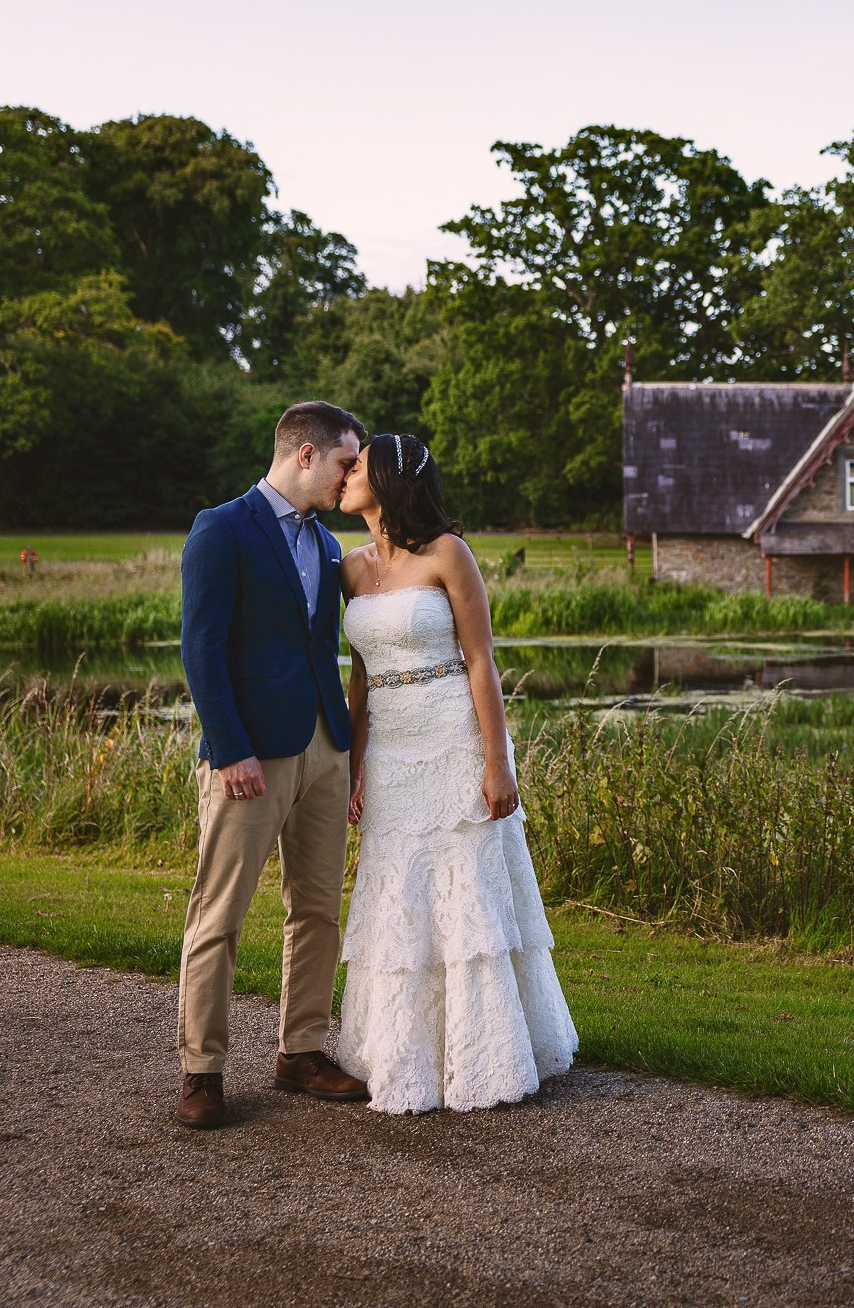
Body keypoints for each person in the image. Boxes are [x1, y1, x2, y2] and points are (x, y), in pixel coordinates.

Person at [334, 432, 577, 1113]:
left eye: (357, 465)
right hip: (389, 752)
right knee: (400, 896)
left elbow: (480, 660)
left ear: (387, 480)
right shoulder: (349, 569)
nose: (347, 475)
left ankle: (487, 1054)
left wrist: (497, 764)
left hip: (453, 740)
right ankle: (405, 1056)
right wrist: (353, 767)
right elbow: (359, 682)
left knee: (466, 894)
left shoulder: (448, 554)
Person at [174, 401, 371, 1129]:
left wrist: (346, 750)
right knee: (219, 914)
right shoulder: (221, 528)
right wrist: (229, 749)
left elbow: (329, 646)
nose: (353, 476)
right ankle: (202, 1070)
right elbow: (202, 648)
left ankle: (301, 1052)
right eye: (348, 461)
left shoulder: (325, 543)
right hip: (249, 755)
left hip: (324, 747)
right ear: (308, 454)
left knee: (317, 908)